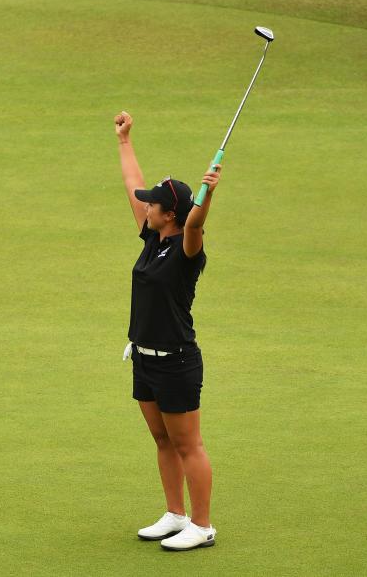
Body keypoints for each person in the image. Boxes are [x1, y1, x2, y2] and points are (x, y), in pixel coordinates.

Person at [113, 110, 221, 551]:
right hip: (143, 356)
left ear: (170, 213)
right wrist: (124, 141)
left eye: (152, 203)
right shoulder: (153, 237)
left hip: (176, 361)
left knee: (188, 444)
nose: (144, 205)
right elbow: (131, 186)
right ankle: (175, 514)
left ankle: (202, 524)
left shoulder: (185, 250)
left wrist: (207, 196)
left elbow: (195, 224)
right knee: (162, 439)